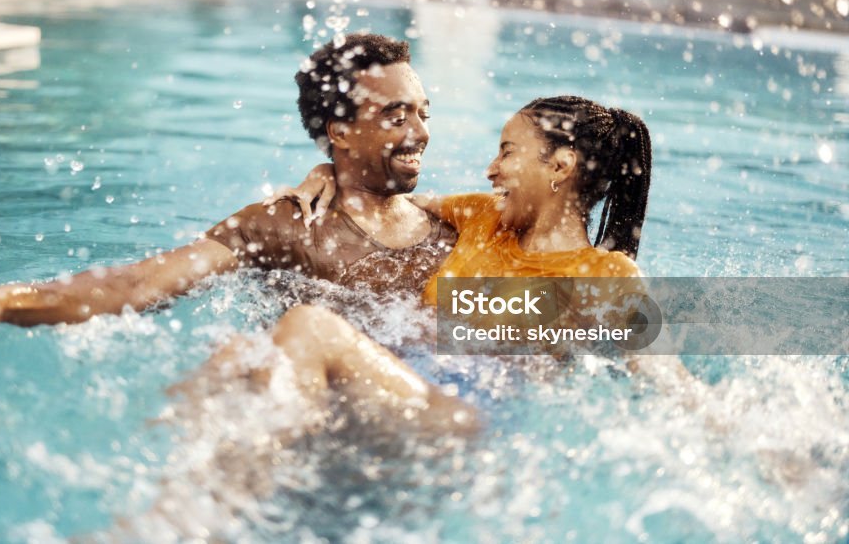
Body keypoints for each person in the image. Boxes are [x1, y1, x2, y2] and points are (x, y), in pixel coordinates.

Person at [0, 33, 457, 361]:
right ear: (338, 133)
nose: (420, 133)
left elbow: (528, 327)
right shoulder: (286, 226)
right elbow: (141, 282)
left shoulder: (462, 227)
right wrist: (4, 300)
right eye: (395, 115)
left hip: (437, 416)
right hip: (319, 424)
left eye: (423, 113)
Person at [193, 95, 653, 432]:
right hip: (400, 382)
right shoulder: (481, 217)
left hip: (469, 415)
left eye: (508, 152)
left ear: (560, 166)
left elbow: (660, 375)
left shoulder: (606, 274)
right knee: (236, 355)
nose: (491, 169)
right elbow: (384, 193)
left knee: (310, 326)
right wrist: (325, 173)